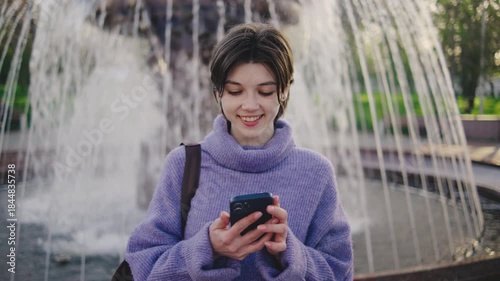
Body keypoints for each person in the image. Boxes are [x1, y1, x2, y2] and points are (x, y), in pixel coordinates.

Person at [125, 23, 353, 281]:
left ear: (285, 89)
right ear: (218, 92)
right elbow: (143, 266)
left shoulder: (316, 172)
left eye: (265, 91)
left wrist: (290, 252)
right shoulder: (184, 165)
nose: (250, 105)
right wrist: (207, 248)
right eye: (235, 91)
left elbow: (339, 272)